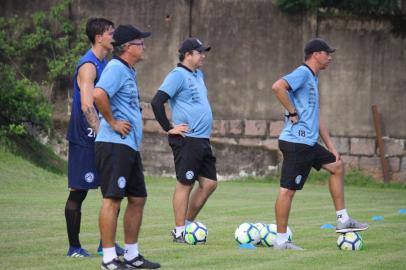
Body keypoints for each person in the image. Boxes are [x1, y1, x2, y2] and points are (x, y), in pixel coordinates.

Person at [271, 38, 369, 250]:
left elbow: (316, 117)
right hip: (296, 142)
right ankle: (280, 241)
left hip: (308, 142)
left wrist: (330, 146)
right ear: (316, 54)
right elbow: (278, 87)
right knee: (287, 191)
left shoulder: (313, 79)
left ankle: (343, 220)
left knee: (337, 166)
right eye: (327, 53)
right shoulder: (304, 72)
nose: (330, 57)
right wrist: (292, 111)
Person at [93, 24, 160, 269]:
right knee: (112, 199)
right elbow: (98, 94)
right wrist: (112, 122)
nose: (144, 47)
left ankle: (132, 256)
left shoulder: (129, 71)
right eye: (140, 43)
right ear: (127, 48)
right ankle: (109, 258)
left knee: (138, 198)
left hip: (128, 146)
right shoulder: (115, 68)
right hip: (113, 145)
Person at [65, 18, 124, 258]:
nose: (114, 37)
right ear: (99, 37)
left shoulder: (105, 63)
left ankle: (105, 244)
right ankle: (74, 247)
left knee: (113, 191)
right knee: (79, 192)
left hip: (101, 137)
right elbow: (87, 105)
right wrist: (102, 133)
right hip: (84, 139)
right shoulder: (88, 66)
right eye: (111, 33)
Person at [151, 37, 218, 243]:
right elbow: (157, 101)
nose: (203, 56)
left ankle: (187, 224)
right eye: (199, 52)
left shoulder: (199, 74)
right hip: (187, 139)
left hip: (202, 140)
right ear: (188, 55)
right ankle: (180, 232)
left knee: (209, 184)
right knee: (185, 184)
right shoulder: (177, 75)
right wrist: (169, 128)